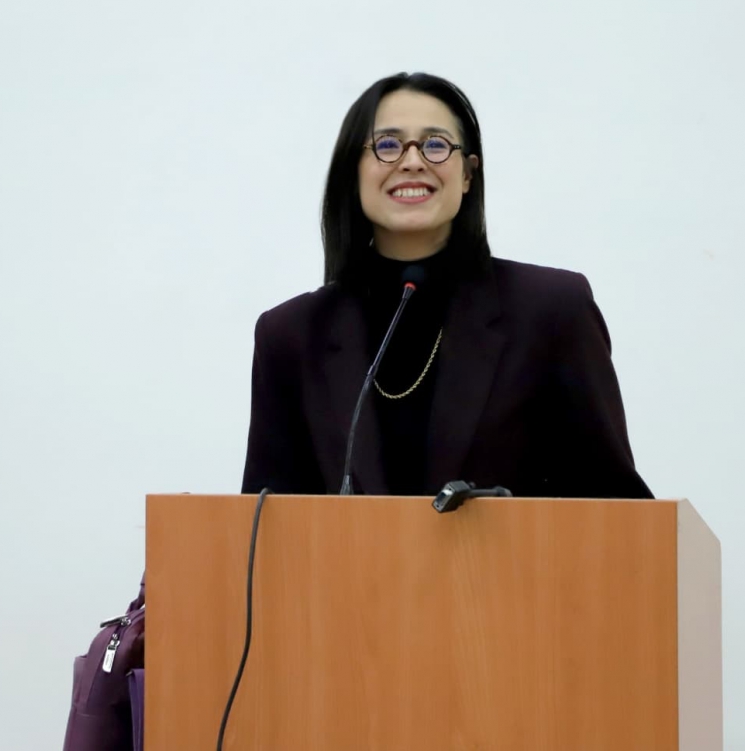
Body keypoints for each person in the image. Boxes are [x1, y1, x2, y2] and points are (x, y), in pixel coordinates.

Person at [240, 72, 653, 500]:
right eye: (387, 145)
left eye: (435, 145)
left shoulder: (552, 310)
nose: (412, 161)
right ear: (352, 171)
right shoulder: (291, 335)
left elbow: (616, 506)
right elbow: (261, 524)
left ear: (468, 174)